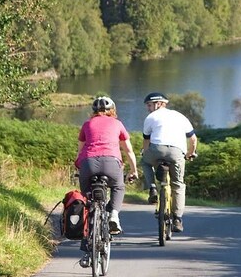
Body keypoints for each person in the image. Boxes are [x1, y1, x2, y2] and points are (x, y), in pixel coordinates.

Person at [75, 96, 138, 235]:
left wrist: (79, 168)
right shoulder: (117, 124)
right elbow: (128, 150)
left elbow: (79, 151)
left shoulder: (87, 124)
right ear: (112, 110)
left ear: (93, 111)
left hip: (88, 162)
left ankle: (89, 216)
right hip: (111, 162)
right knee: (118, 186)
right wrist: (134, 170)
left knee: (86, 194)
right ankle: (114, 214)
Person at [141, 92, 197, 233]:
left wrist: (145, 153)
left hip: (156, 150)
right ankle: (177, 219)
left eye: (149, 105)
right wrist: (190, 153)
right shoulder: (180, 116)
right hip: (177, 153)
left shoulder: (150, 117)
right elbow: (193, 139)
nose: (148, 108)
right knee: (178, 185)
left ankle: (152, 188)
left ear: (158, 104)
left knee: (145, 162)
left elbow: (146, 141)